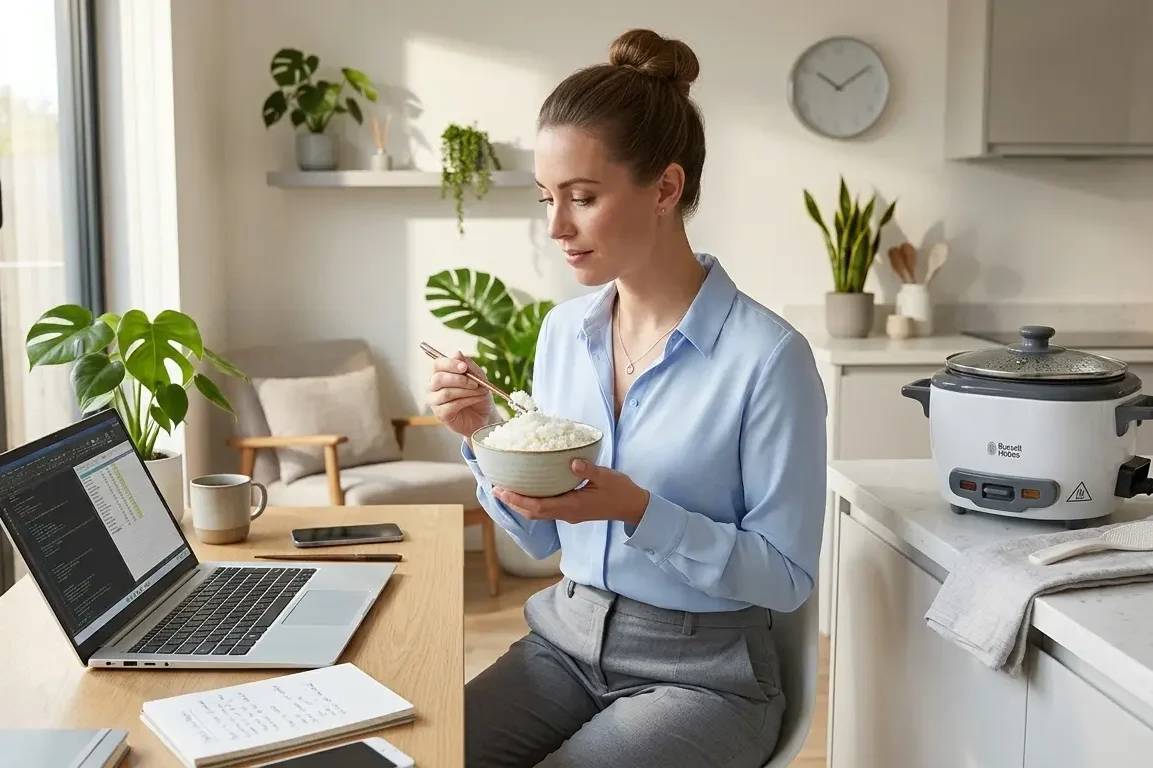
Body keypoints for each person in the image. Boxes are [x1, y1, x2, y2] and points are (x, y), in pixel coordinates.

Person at [426, 27, 827, 768]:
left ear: (665, 189)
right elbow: (545, 540)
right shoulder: (562, 334)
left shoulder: (767, 359)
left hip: (705, 678)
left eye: (582, 197)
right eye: (548, 198)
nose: (556, 227)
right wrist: (485, 434)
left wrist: (638, 510)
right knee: (426, 756)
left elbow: (788, 576)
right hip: (564, 643)